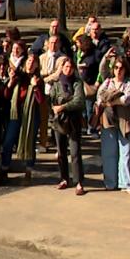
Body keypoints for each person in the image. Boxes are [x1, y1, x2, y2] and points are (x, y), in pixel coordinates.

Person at [0, 54, 44, 183]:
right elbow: (7, 95)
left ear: (37, 65)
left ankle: (28, 172)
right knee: (8, 141)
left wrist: (35, 87)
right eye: (29, 61)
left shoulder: (38, 80)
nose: (30, 64)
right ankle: (4, 168)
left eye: (33, 62)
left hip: (31, 115)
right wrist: (11, 81)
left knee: (29, 142)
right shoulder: (18, 78)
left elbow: (40, 101)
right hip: (16, 113)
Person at [96, 57, 130, 193]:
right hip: (108, 119)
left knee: (125, 152)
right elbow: (99, 97)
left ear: (125, 69)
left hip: (125, 120)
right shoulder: (108, 81)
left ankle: (125, 183)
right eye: (116, 68)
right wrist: (111, 99)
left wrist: (111, 101)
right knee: (109, 153)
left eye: (121, 68)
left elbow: (126, 99)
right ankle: (110, 182)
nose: (118, 71)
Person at [50, 58, 87, 194]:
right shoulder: (56, 83)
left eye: (70, 67)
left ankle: (78, 182)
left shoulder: (77, 83)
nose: (68, 69)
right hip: (59, 121)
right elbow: (53, 100)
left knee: (75, 151)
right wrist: (62, 103)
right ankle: (64, 178)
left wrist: (63, 105)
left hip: (73, 121)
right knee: (61, 152)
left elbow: (79, 101)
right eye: (66, 66)